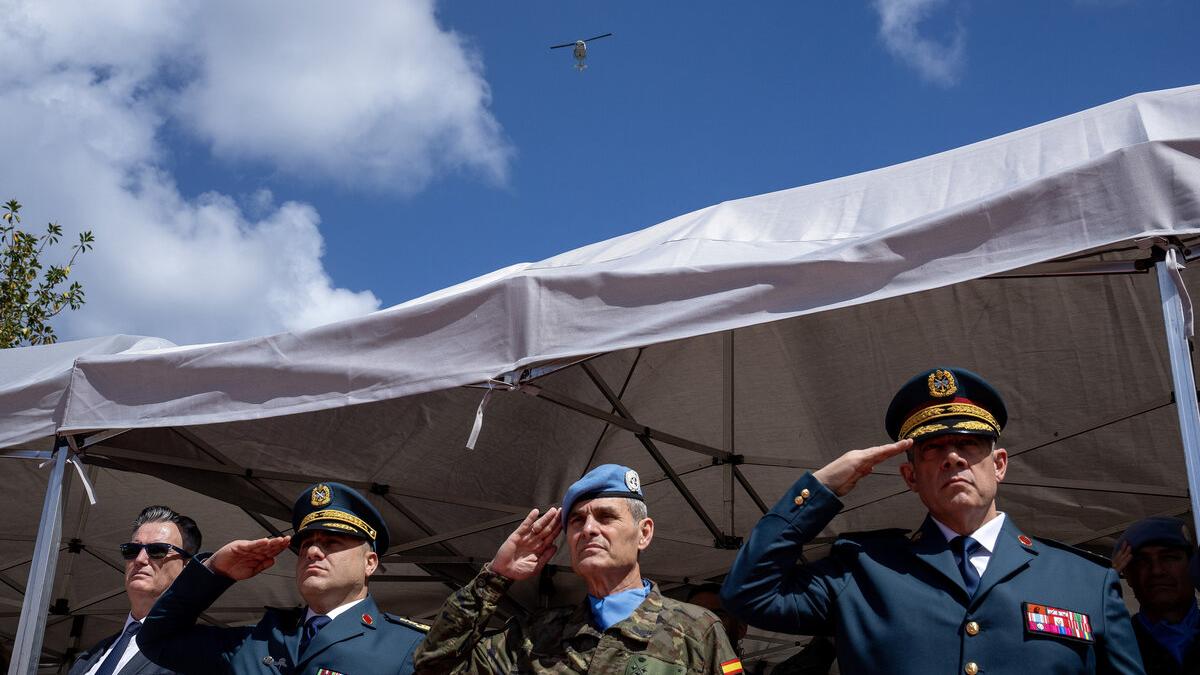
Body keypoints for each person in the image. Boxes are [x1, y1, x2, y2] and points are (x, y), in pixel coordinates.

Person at [721, 367, 1146, 675]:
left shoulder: (1085, 582)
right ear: (910, 477)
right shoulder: (863, 570)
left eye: (969, 443)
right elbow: (748, 594)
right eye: (933, 449)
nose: (954, 457)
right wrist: (821, 488)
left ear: (999, 465)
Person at [414, 464, 742, 674]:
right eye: (577, 521)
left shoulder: (696, 632)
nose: (588, 529)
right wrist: (496, 576)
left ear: (644, 533)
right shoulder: (533, 637)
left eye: (606, 517)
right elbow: (435, 668)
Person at [139, 482, 425, 674]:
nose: (312, 551)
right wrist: (215, 571)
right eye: (304, 545)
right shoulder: (258, 640)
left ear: (370, 563)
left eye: (331, 542)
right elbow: (157, 639)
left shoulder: (409, 647)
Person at [68, 505, 201, 675]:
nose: (139, 559)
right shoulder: (89, 657)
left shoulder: (197, 653)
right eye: (132, 550)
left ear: (187, 567)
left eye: (157, 550)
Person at [1112, 517, 1200, 673]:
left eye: (1169, 558)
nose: (1157, 571)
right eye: (1142, 562)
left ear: (1193, 567)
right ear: (1128, 575)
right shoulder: (1113, 647)